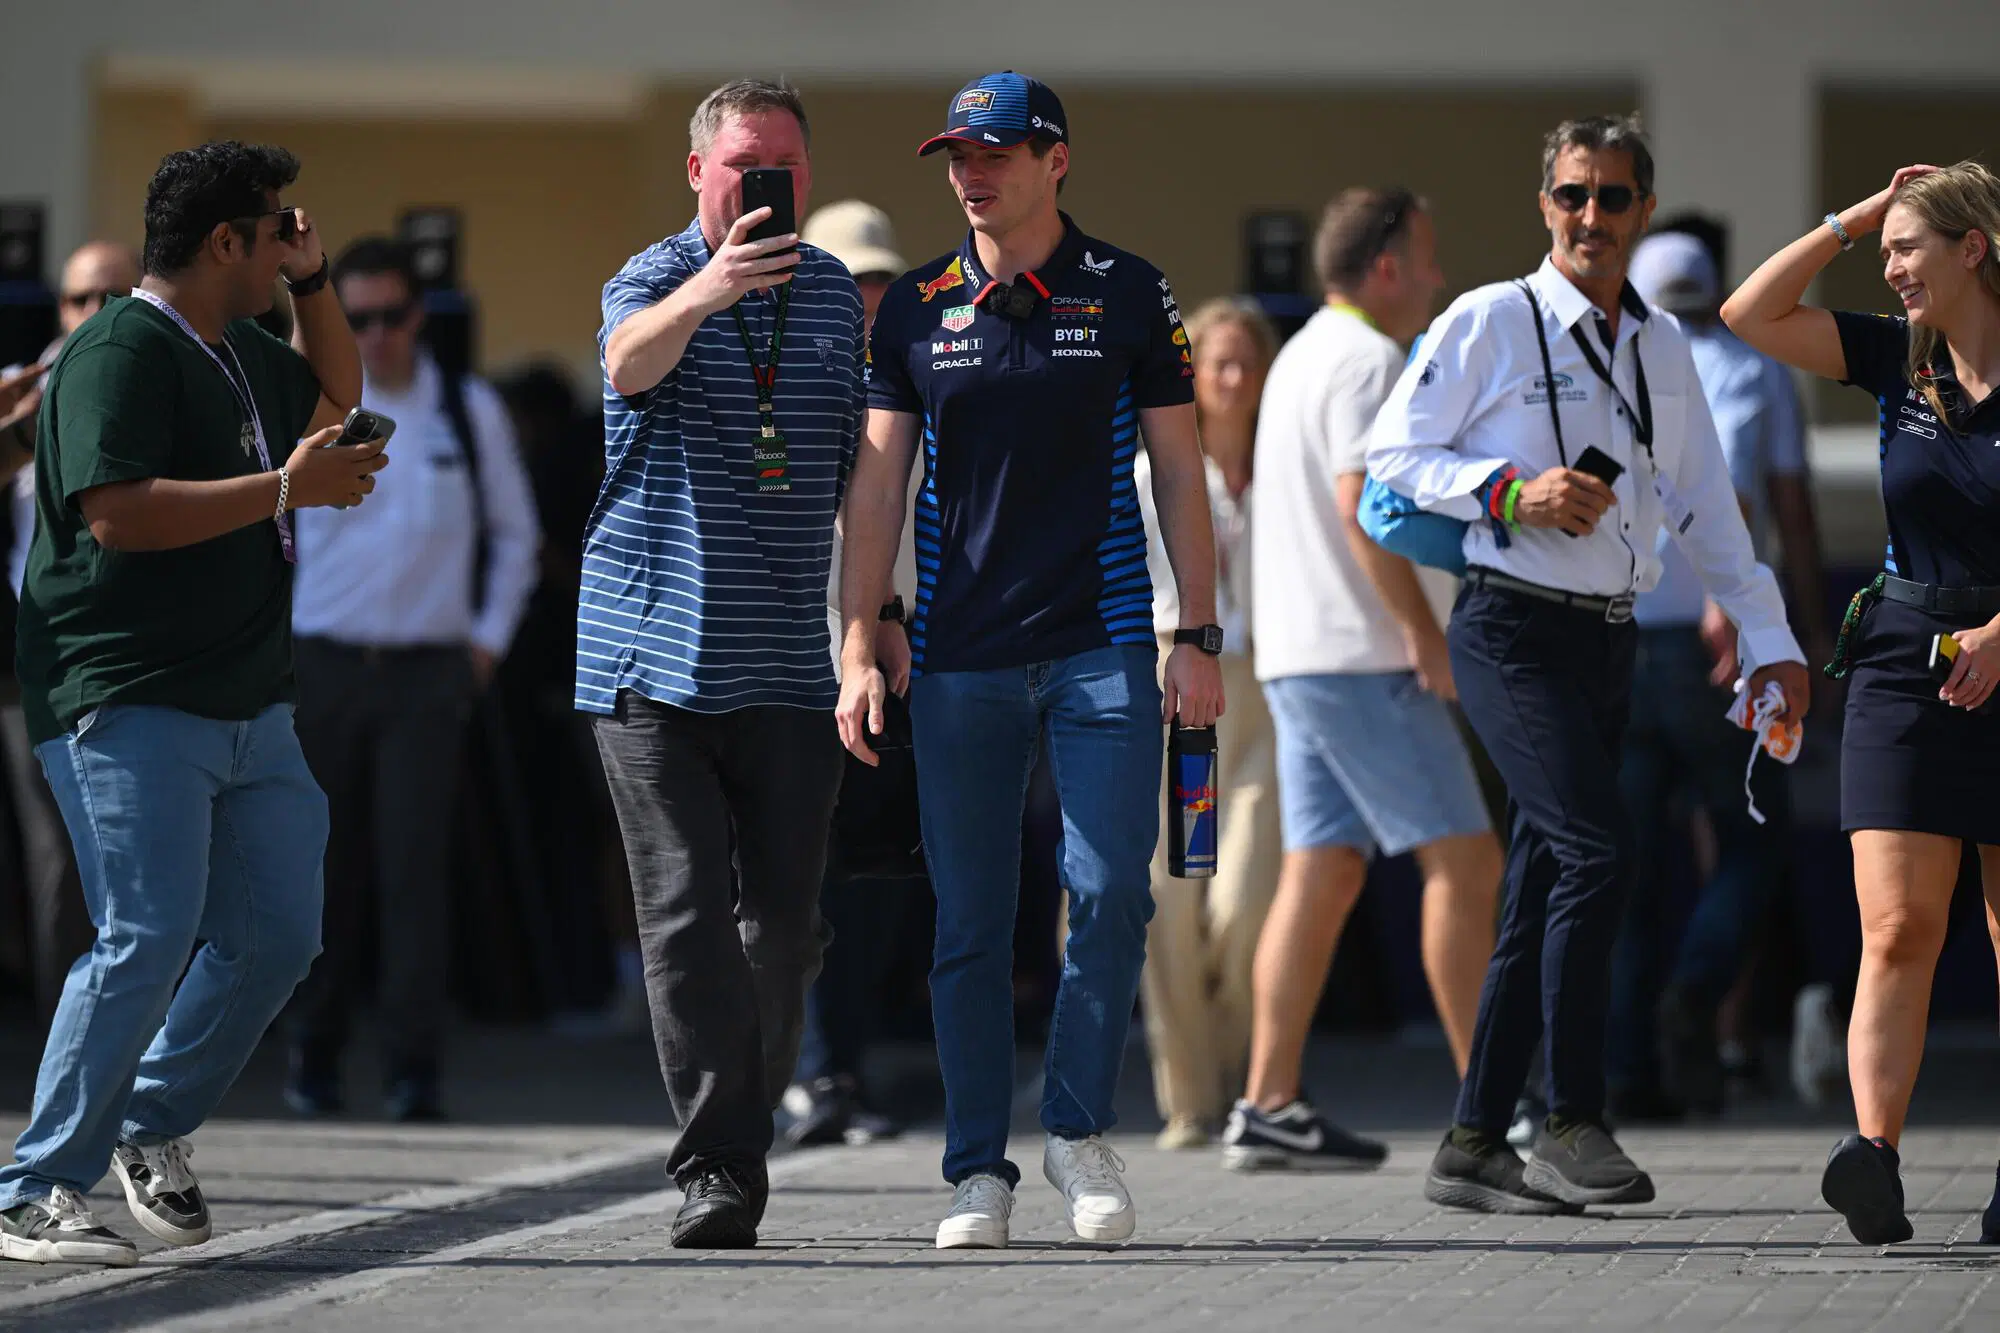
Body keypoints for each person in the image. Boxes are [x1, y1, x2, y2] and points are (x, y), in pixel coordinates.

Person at [1368, 115, 1810, 1215]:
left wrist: (1773, 643)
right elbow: (1392, 455)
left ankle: (1473, 1140)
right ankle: (1569, 1117)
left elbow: (1711, 511)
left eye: (1613, 199)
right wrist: (1510, 492)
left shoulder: (1663, 345)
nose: (1590, 218)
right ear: (1543, 205)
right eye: (1572, 195)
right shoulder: (1487, 319)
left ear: (1642, 212)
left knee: (1544, 883)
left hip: (1608, 637)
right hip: (1507, 627)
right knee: (1595, 850)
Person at [838, 71, 1224, 1251]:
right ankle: (974, 1172)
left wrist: (1196, 632)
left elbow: (1177, 470)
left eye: (996, 150)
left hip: (1103, 640)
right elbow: (876, 483)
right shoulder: (912, 305)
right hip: (956, 654)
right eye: (957, 153)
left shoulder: (1126, 290)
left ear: (1055, 160)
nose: (970, 171)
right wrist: (863, 632)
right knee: (968, 918)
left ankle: (1073, 1131)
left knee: (1111, 891)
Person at [0, 141, 384, 1266]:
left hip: (246, 698)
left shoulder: (241, 346)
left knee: (278, 933)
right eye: (275, 234)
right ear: (226, 243)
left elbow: (339, 390)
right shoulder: (115, 348)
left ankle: (148, 1116)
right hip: (122, 693)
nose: (283, 248)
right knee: (146, 933)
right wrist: (284, 488)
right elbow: (118, 514)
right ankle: (33, 1191)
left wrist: (315, 286)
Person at [584, 79, 864, 1249]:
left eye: (788, 166)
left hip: (791, 655)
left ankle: (733, 1132)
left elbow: (864, 467)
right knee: (689, 912)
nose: (770, 185)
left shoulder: (838, 292)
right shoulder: (651, 277)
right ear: (698, 173)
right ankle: (720, 1169)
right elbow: (625, 366)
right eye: (748, 164)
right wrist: (709, 289)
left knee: (787, 925)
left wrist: (872, 622)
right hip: (654, 660)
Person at [1722, 160, 2000, 1247]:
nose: (1890, 269)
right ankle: (1871, 1152)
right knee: (1894, 926)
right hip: (1901, 658)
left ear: (1971, 248)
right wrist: (1855, 216)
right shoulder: (1897, 360)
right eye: (1884, 252)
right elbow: (1751, 311)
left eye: (1908, 249)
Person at [1227, 188, 1503, 1173]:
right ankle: (1492, 1113)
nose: (1435, 278)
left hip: (1303, 655)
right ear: (1384, 266)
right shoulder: (1364, 359)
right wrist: (1421, 634)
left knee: (1324, 870)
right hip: (1362, 657)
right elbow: (1363, 508)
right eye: (1425, 258)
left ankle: (1266, 1102)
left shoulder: (1302, 352)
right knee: (1466, 867)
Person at [285, 236, 541, 1122]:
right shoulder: (310, 409)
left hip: (429, 674)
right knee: (323, 873)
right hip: (322, 669)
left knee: (414, 877)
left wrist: (486, 641)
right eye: (356, 320)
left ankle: (412, 1069)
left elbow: (517, 536)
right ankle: (313, 1055)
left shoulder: (466, 411)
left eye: (391, 316)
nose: (377, 335)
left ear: (418, 317)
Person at [1604, 229, 1830, 1120]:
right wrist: (1805, 631)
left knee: (1627, 867)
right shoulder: (1756, 368)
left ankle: (1627, 1070)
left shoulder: (1615, 365)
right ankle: (1698, 991)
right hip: (1724, 644)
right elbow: (1790, 513)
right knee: (1752, 842)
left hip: (1623, 639)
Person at [784, 197, 920, 1147]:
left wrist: (890, 625)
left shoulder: (916, 378)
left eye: (879, 281)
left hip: (903, 655)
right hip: (800, 659)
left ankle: (847, 1069)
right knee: (806, 879)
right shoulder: (787, 380)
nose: (867, 298)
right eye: (849, 280)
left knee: (876, 879)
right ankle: (810, 1072)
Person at [1130, 297, 1281, 1153]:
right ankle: (1191, 1098)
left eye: (1244, 363)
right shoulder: (1155, 467)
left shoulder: (1286, 469)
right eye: (1213, 362)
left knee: (1248, 895)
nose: (1229, 379)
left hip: (1262, 691)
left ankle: (1239, 1078)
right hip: (1174, 685)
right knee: (1171, 897)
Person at [0, 241, 139, 1025]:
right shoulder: (21, 391)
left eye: (111, 297)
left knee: (143, 859)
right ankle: (72, 1034)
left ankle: (138, 1038)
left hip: (139, 657)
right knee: (60, 859)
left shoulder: (158, 378)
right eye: (77, 300)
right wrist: (23, 424)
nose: (91, 315)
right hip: (40, 659)